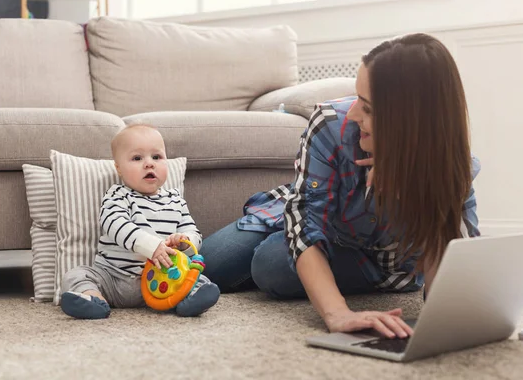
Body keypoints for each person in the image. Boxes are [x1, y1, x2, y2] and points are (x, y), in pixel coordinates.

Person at [200, 33, 479, 339]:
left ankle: (311, 265)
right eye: (358, 99)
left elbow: (455, 259)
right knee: (210, 263)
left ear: (411, 122)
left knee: (272, 264)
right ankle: (287, 233)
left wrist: (411, 194)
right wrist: (337, 314)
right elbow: (306, 219)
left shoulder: (451, 162)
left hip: (375, 262)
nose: (355, 113)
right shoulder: (332, 124)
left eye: (369, 109)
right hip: (315, 218)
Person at [60, 124, 220, 319]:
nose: (149, 164)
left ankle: (189, 301)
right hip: (113, 278)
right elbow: (114, 223)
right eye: (137, 158)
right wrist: (151, 246)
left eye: (156, 157)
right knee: (77, 275)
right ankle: (94, 299)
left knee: (198, 277)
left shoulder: (176, 200)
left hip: (164, 279)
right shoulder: (118, 195)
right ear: (118, 168)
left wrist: (185, 241)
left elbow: (193, 232)